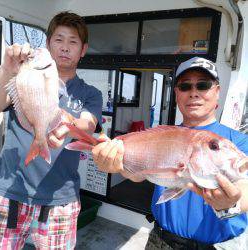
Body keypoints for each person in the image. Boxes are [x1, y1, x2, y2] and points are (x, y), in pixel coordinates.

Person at [92, 57, 248, 249]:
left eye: (203, 85)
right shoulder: (163, 135)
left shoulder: (239, 142)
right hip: (159, 240)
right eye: (185, 87)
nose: (193, 93)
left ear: (217, 92)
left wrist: (231, 203)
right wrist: (114, 164)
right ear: (176, 94)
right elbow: (138, 176)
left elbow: (245, 187)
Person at [0, 11, 102, 249]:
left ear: (83, 49)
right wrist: (6, 68)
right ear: (47, 44)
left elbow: (88, 124)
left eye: (73, 41)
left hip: (60, 199)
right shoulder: (25, 73)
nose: (65, 47)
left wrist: (67, 123)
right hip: (10, 192)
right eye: (59, 39)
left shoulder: (90, 94)